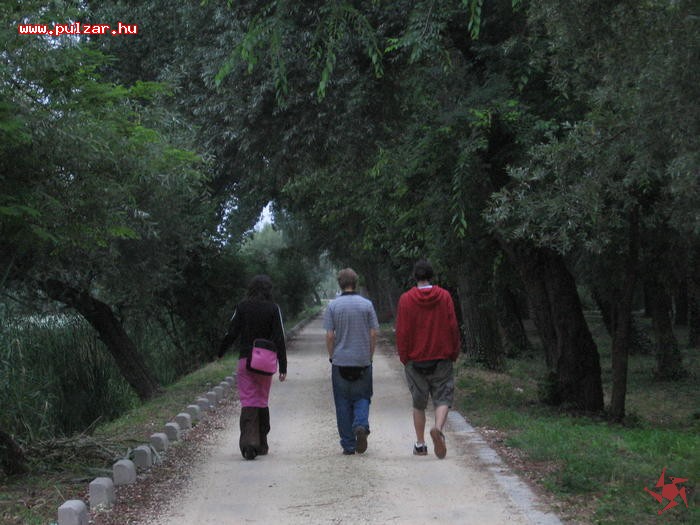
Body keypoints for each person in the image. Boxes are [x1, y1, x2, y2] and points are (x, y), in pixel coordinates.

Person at [395, 259, 460, 459]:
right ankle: (438, 429)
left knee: (419, 403)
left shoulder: (406, 299)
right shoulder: (444, 296)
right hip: (441, 356)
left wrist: (405, 357)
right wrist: (454, 352)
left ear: (414, 277)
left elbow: (402, 331)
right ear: (432, 275)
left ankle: (421, 444)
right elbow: (452, 325)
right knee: (443, 397)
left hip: (415, 360)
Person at [218, 275, 287, 460]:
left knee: (248, 399)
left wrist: (220, 352)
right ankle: (262, 443)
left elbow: (231, 332)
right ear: (269, 290)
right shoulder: (274, 308)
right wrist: (283, 366)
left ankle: (249, 442)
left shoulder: (242, 307)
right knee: (262, 399)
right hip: (266, 361)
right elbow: (279, 337)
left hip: (246, 359)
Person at [323, 268, 379, 455]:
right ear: (356, 282)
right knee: (363, 396)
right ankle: (361, 424)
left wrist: (332, 355)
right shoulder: (367, 305)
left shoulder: (333, 306)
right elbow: (373, 332)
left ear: (340, 284)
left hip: (340, 361)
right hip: (362, 360)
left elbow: (330, 335)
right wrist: (370, 354)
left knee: (342, 402)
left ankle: (348, 444)